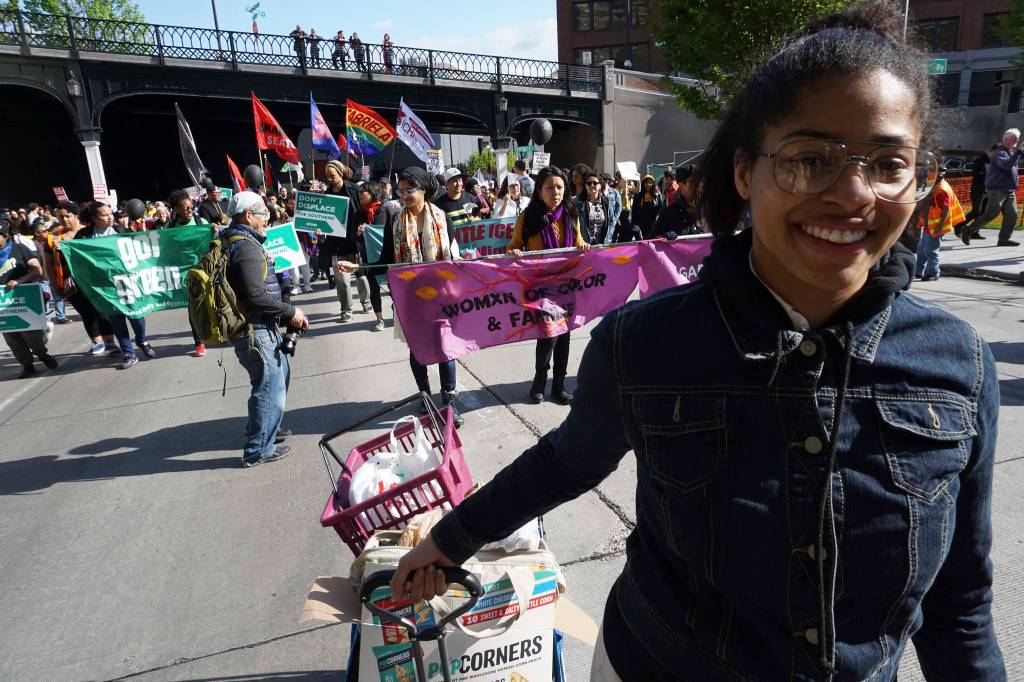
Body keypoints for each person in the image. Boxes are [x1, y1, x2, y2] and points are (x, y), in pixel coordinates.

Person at [390, 3, 1007, 680]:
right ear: (745, 172)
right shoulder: (643, 344)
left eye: (889, 163)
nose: (854, 194)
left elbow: (959, 607)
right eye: (810, 160)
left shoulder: (960, 366)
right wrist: (450, 540)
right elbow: (568, 462)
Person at [365, 167, 465, 426]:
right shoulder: (396, 223)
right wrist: (359, 267)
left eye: (409, 190)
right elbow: (386, 259)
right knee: (417, 349)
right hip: (411, 300)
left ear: (423, 190)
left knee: (445, 347)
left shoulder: (443, 219)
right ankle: (425, 396)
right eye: (401, 191)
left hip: (442, 297)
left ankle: (450, 401)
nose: (404, 195)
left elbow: (454, 257)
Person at [222, 191, 309, 467]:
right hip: (256, 330)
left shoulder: (239, 241)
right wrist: (291, 312)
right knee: (269, 386)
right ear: (248, 216)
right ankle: (258, 449)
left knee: (277, 376)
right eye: (263, 213)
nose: (267, 218)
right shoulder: (246, 248)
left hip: (257, 327)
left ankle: (265, 427)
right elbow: (256, 296)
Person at [506, 167, 589, 404]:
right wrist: (515, 251)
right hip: (541, 287)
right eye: (550, 188)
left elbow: (579, 240)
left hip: (567, 285)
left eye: (560, 187)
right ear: (539, 191)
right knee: (548, 334)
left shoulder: (570, 214)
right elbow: (514, 245)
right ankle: (539, 381)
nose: (556, 192)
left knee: (564, 335)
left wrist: (583, 245)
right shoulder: (528, 217)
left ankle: (559, 385)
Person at [78, 202, 156, 369]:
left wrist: (137, 232)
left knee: (136, 316)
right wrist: (60, 247)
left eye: (110, 214)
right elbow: (75, 255)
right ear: (94, 218)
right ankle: (128, 353)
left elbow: (139, 247)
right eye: (104, 215)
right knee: (116, 319)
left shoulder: (120, 230)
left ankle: (142, 340)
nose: (110, 217)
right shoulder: (84, 236)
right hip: (105, 286)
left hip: (127, 281)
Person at [1, 222, 58, 378]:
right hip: (3, 302)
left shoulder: (19, 249)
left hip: (24, 298)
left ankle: (42, 354)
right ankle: (27, 365)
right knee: (12, 337)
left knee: (32, 335)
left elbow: (37, 270)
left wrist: (18, 281)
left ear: (5, 236)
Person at [323, 160, 370, 322]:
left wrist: (364, 226)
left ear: (340, 173)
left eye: (332, 175)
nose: (329, 178)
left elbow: (364, 210)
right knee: (341, 280)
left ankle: (366, 302)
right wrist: (319, 229)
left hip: (355, 241)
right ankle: (346, 310)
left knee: (361, 275)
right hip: (336, 244)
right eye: (327, 175)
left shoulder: (354, 189)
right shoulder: (325, 195)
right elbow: (322, 220)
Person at [961, 128, 1023, 246]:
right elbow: (1006, 166)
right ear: (1006, 139)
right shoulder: (999, 152)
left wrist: (1018, 153)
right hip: (997, 189)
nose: (1017, 140)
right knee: (991, 214)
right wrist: (1019, 152)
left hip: (1009, 190)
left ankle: (1003, 239)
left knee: (1012, 215)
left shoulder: (1010, 152)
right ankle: (968, 230)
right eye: (1014, 138)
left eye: (1017, 138)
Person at [916, 176, 964, 282]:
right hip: (930, 225)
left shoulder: (942, 190)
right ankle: (917, 271)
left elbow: (946, 209)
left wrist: (939, 226)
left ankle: (933, 273)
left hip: (936, 226)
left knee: (930, 251)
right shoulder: (936, 186)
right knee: (921, 249)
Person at [651, 163, 702, 239]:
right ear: (681, 185)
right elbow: (650, 242)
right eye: (694, 182)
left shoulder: (708, 210)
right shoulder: (668, 213)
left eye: (700, 181)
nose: (699, 186)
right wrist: (663, 239)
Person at [957, 144, 996, 235]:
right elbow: (975, 174)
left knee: (983, 212)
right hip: (978, 189)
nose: (995, 155)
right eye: (994, 152)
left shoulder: (994, 162)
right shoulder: (979, 160)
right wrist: (988, 176)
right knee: (976, 211)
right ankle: (959, 225)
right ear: (989, 151)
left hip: (988, 190)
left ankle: (974, 232)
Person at [575, 170, 611, 244]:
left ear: (600, 186)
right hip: (585, 245)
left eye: (595, 183)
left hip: (603, 244)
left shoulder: (607, 202)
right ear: (585, 186)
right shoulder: (578, 202)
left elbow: (611, 223)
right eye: (589, 183)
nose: (592, 185)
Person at [631, 174, 664, 239]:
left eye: (650, 183)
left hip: (653, 224)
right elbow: (634, 211)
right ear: (643, 184)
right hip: (642, 225)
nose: (648, 185)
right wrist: (635, 226)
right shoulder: (638, 196)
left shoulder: (657, 195)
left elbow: (661, 208)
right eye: (646, 183)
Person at [599, 173, 623, 244]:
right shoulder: (598, 192)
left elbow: (619, 206)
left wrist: (615, 218)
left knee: (610, 242)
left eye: (601, 180)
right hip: (601, 221)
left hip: (611, 222)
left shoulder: (615, 192)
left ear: (606, 181)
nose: (599, 182)